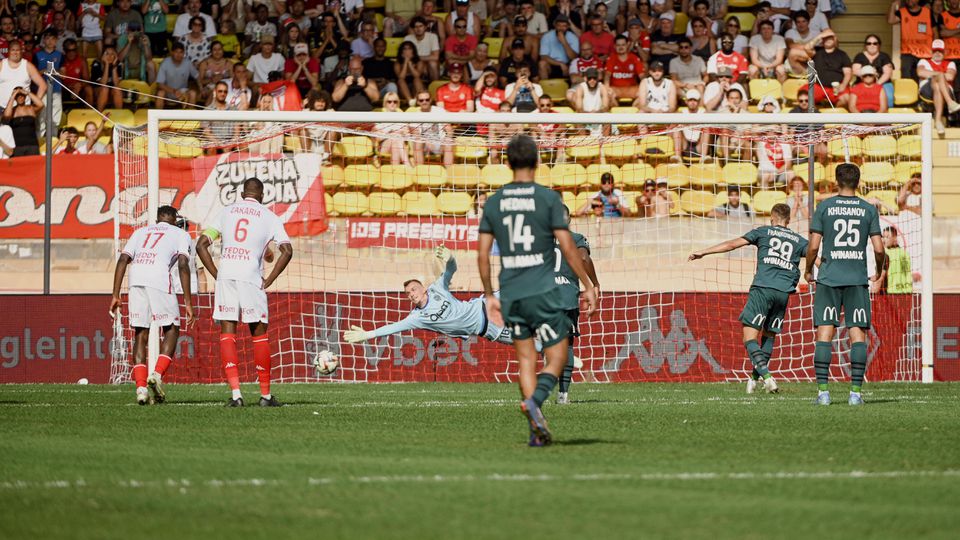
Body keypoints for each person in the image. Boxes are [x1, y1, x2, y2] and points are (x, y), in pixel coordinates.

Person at [476, 134, 598, 446]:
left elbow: (482, 254)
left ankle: (535, 430)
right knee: (557, 357)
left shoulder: (494, 202)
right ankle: (536, 402)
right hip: (544, 292)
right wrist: (588, 285)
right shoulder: (547, 199)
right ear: (537, 161)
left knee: (526, 360)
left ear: (507, 163)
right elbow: (569, 249)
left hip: (512, 293)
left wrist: (490, 295)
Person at [196, 178, 294, 408]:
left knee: (227, 332)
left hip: (227, 276)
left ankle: (236, 395)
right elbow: (287, 251)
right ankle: (265, 396)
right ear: (262, 196)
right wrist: (269, 279)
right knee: (258, 333)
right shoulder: (270, 217)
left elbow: (201, 244)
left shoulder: (226, 211)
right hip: (251, 277)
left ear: (242, 194)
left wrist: (216, 273)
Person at [690, 203, 808, 394]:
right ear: (789, 220)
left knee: (749, 337)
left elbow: (731, 244)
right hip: (784, 292)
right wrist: (812, 273)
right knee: (769, 335)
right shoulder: (799, 240)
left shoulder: (763, 231)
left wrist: (704, 251)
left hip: (762, 288)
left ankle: (767, 377)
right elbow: (817, 257)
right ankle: (754, 379)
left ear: (772, 218)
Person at [804, 163, 885, 406]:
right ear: (858, 182)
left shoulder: (825, 207)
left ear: (837, 182)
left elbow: (814, 246)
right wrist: (878, 271)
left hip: (829, 278)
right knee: (857, 335)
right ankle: (855, 394)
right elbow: (879, 249)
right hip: (856, 279)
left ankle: (823, 393)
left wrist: (808, 270)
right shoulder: (868, 209)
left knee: (824, 335)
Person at [110, 205, 195, 405]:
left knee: (141, 332)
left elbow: (123, 259)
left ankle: (141, 389)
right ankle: (156, 375)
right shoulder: (180, 233)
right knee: (172, 328)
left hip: (136, 279)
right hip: (158, 279)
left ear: (157, 220)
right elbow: (183, 265)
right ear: (174, 219)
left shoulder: (140, 232)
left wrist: (115, 294)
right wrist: (188, 302)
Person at [344, 246, 514, 346]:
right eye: (407, 293)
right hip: (487, 328)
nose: (411, 294)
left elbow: (451, 270)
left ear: (424, 289)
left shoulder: (437, 288)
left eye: (413, 289)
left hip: (485, 306)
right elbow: (393, 327)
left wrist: (451, 258)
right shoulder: (417, 317)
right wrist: (368, 335)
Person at [553, 205, 600, 404]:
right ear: (569, 219)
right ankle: (563, 394)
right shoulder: (576, 238)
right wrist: (594, 284)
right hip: (565, 297)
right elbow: (583, 257)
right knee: (568, 345)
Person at [918, 39, 960, 135]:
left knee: (937, 84)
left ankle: (937, 121)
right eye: (935, 51)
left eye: (940, 51)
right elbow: (920, 72)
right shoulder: (923, 61)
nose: (937, 53)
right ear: (931, 52)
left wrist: (931, 74)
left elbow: (951, 76)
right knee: (938, 77)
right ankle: (950, 103)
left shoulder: (950, 63)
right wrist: (940, 74)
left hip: (945, 90)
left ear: (944, 52)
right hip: (927, 91)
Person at [888, 0, 935, 81]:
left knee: (926, 78)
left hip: (925, 53)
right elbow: (891, 20)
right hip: (908, 52)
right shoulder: (902, 12)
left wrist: (935, 49)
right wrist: (893, 5)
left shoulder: (927, 12)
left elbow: (935, 31)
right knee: (906, 74)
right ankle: (908, 93)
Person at [852, 34, 895, 110]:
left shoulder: (884, 56)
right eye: (869, 43)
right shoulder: (860, 56)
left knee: (889, 96)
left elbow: (887, 73)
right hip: (862, 83)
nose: (872, 45)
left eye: (875, 43)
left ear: (879, 45)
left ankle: (886, 119)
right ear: (865, 45)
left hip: (882, 83)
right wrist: (868, 73)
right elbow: (855, 70)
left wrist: (877, 85)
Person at [411, 91, 455, 165]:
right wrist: (426, 141)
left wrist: (444, 141)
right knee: (418, 142)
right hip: (424, 144)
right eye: (421, 100)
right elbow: (416, 134)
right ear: (418, 102)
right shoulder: (415, 114)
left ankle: (449, 172)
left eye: (427, 99)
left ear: (430, 100)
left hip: (439, 143)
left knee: (449, 142)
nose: (424, 102)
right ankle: (419, 171)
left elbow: (449, 130)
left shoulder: (439, 111)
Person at [155, 42, 199, 108]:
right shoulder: (165, 63)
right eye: (176, 52)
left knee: (193, 93)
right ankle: (157, 117)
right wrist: (174, 91)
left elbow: (197, 76)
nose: (179, 55)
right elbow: (160, 84)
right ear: (172, 53)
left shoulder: (188, 63)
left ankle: (190, 117)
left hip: (182, 92)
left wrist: (201, 88)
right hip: (168, 92)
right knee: (160, 93)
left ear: (184, 53)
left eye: (181, 52)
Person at [3, 87, 42, 156]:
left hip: (32, 145)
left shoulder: (30, 108)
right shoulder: (12, 111)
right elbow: (6, 115)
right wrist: (13, 95)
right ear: (15, 98)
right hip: (17, 147)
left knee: (35, 166)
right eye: (18, 96)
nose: (20, 97)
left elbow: (41, 104)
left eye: (22, 95)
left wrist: (27, 92)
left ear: (25, 96)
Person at [538, 14, 579, 80]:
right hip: (552, 63)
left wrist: (564, 42)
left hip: (568, 64)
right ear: (555, 25)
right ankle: (544, 89)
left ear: (568, 26)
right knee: (542, 63)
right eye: (559, 25)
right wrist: (560, 64)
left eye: (564, 26)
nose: (561, 28)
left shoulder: (573, 37)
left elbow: (574, 57)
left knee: (575, 66)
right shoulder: (547, 36)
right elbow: (543, 57)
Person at [374, 92, 410, 165]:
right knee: (395, 137)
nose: (392, 103)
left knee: (395, 143)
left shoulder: (402, 116)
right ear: (385, 103)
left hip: (398, 144)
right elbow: (377, 139)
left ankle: (395, 172)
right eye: (389, 102)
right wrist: (389, 133)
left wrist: (403, 133)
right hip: (384, 146)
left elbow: (408, 136)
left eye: (395, 101)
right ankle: (407, 165)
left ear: (398, 103)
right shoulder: (380, 117)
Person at [605, 34, 645, 101]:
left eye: (623, 45)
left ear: (627, 45)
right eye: (618, 45)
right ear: (614, 46)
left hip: (631, 90)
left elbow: (642, 76)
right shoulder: (611, 59)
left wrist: (643, 89)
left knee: (642, 93)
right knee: (606, 92)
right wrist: (606, 88)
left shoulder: (634, 58)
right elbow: (607, 76)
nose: (621, 47)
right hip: (616, 90)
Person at [673, 89, 709, 161]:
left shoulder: (704, 113)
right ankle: (678, 157)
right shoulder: (681, 113)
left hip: (699, 146)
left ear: (698, 102)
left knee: (706, 129)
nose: (692, 102)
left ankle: (703, 157)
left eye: (695, 100)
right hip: (684, 145)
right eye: (690, 100)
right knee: (676, 128)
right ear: (686, 101)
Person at [405, 15, 442, 81]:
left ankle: (435, 87)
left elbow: (436, 57)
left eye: (420, 26)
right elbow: (407, 57)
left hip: (428, 65)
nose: (418, 29)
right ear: (413, 29)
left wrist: (417, 58)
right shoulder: (408, 38)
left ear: (425, 27)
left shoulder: (433, 37)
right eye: (416, 27)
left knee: (433, 63)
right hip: (414, 65)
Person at [879, 226, 913, 294]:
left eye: (887, 237)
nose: (883, 240)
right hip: (908, 292)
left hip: (892, 293)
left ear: (895, 238)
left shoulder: (886, 253)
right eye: (883, 237)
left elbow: (881, 276)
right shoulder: (905, 253)